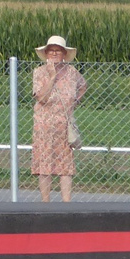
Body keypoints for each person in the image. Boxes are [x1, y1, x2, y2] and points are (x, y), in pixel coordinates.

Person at [30, 35, 87, 203]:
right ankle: (45, 203)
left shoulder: (72, 72)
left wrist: (75, 102)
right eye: (51, 51)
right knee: (44, 166)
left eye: (58, 51)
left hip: (64, 124)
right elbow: (41, 97)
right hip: (44, 125)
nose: (54, 54)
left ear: (64, 53)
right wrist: (52, 76)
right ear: (46, 53)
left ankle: (66, 203)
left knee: (65, 167)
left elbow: (83, 85)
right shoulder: (39, 72)